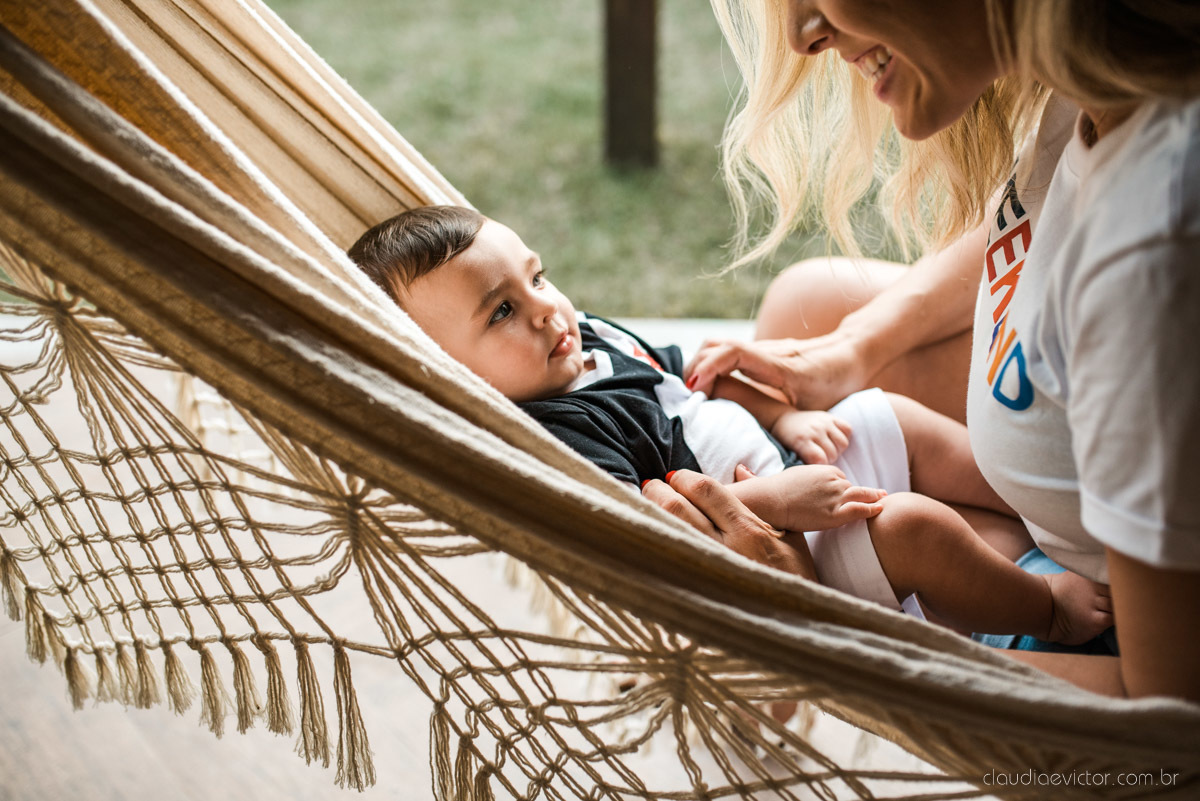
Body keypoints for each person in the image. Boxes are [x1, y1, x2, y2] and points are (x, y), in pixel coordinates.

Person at [676, 0, 1200, 699]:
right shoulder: (1093, 81)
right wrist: (850, 349)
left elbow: (1167, 728)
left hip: (1123, 663)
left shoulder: (1151, 254)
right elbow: (1034, 212)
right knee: (810, 306)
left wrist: (831, 634)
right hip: (1067, 547)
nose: (805, 36)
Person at [347, 204, 1112, 645]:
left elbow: (700, 382)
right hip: (788, 537)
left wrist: (792, 411)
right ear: (448, 375)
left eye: (538, 277)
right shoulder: (556, 431)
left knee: (894, 418)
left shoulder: (591, 343)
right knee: (911, 525)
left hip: (795, 461)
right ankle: (1045, 609)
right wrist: (781, 504)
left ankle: (1059, 512)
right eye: (503, 311)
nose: (548, 307)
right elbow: (653, 518)